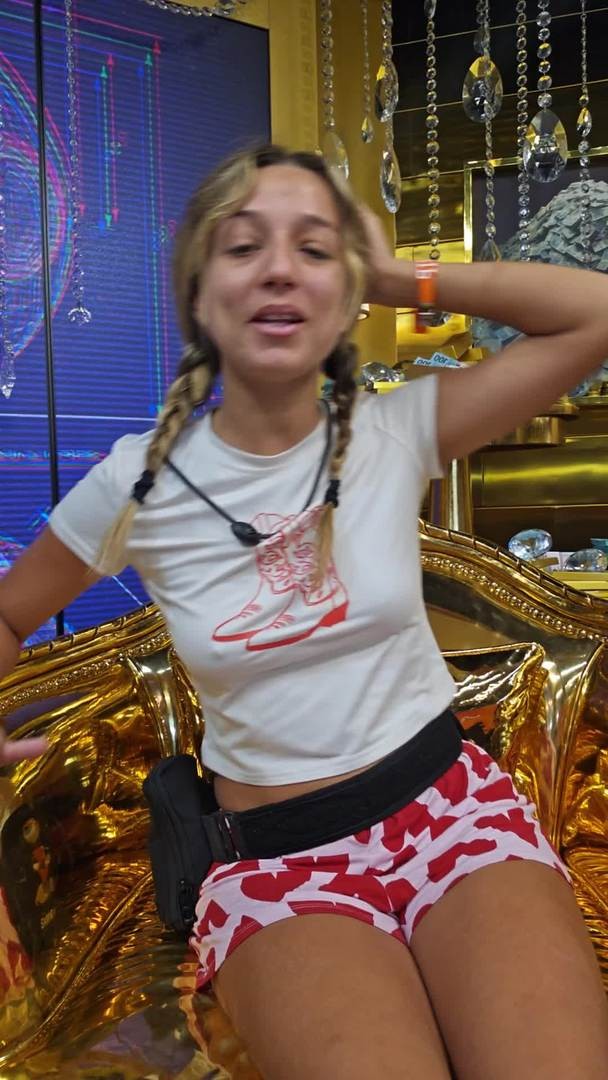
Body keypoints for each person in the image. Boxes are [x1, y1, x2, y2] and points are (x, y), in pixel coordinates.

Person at [0, 144, 607, 1080]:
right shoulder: (138, 482)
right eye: (245, 246)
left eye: (315, 249)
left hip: (450, 813)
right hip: (278, 863)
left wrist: (400, 275)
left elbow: (592, 315)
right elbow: (12, 615)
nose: (280, 268)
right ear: (199, 293)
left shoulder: (393, 429)